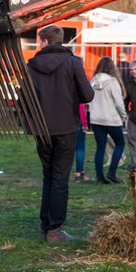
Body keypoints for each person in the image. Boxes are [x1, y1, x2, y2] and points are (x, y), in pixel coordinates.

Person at [26, 25, 94, 241]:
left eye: (39, 41)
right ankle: (54, 229)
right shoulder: (73, 63)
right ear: (61, 41)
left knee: (48, 175)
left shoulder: (31, 65)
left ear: (45, 41)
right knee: (60, 178)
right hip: (66, 127)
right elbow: (88, 94)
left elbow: (23, 97)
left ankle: (46, 224)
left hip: (42, 128)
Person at [88, 57, 126, 184]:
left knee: (100, 147)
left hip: (96, 119)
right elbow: (119, 103)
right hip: (111, 119)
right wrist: (123, 116)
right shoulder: (113, 81)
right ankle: (112, 173)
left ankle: (99, 176)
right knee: (120, 144)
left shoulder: (92, 81)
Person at [122, 58, 136, 172]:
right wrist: (125, 113)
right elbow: (126, 98)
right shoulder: (128, 82)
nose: (133, 71)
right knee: (131, 139)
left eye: (135, 69)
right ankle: (135, 163)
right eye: (131, 70)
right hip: (133, 114)